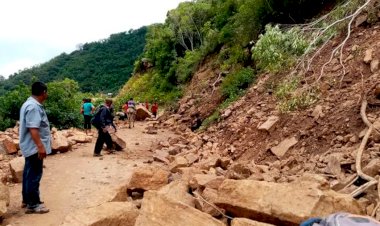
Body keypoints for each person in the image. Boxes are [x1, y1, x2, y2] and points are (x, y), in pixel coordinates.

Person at [19, 81, 50, 214]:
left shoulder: (29, 104)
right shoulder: (33, 107)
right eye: (46, 92)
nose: (47, 94)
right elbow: (33, 129)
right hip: (34, 147)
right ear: (43, 93)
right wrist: (40, 147)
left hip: (29, 146)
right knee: (34, 175)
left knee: (28, 173)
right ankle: (33, 205)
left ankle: (27, 200)